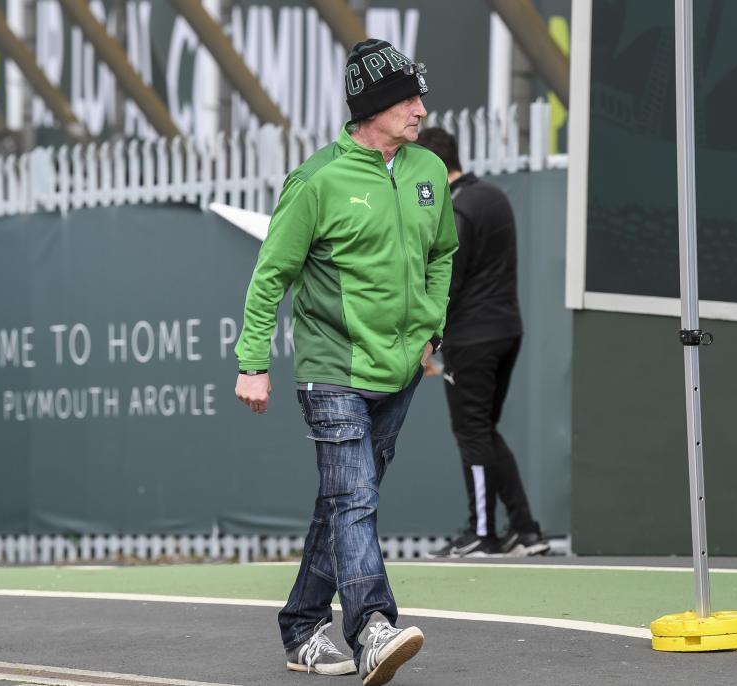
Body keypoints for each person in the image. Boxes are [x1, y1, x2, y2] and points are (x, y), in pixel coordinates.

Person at [233, 39, 458, 686]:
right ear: (373, 110)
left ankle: (303, 625)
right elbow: (270, 275)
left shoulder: (427, 172)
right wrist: (254, 362)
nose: (421, 109)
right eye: (408, 100)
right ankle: (372, 629)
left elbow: (442, 253)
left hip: (401, 368)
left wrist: (430, 332)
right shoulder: (317, 181)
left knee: (344, 501)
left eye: (419, 97)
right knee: (354, 498)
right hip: (332, 366)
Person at [415, 127, 550, 558]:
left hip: (471, 339)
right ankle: (526, 531)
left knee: (471, 432)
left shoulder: (455, 210)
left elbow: (445, 285)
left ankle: (482, 532)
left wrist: (426, 341)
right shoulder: (493, 196)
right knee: (485, 431)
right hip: (508, 331)